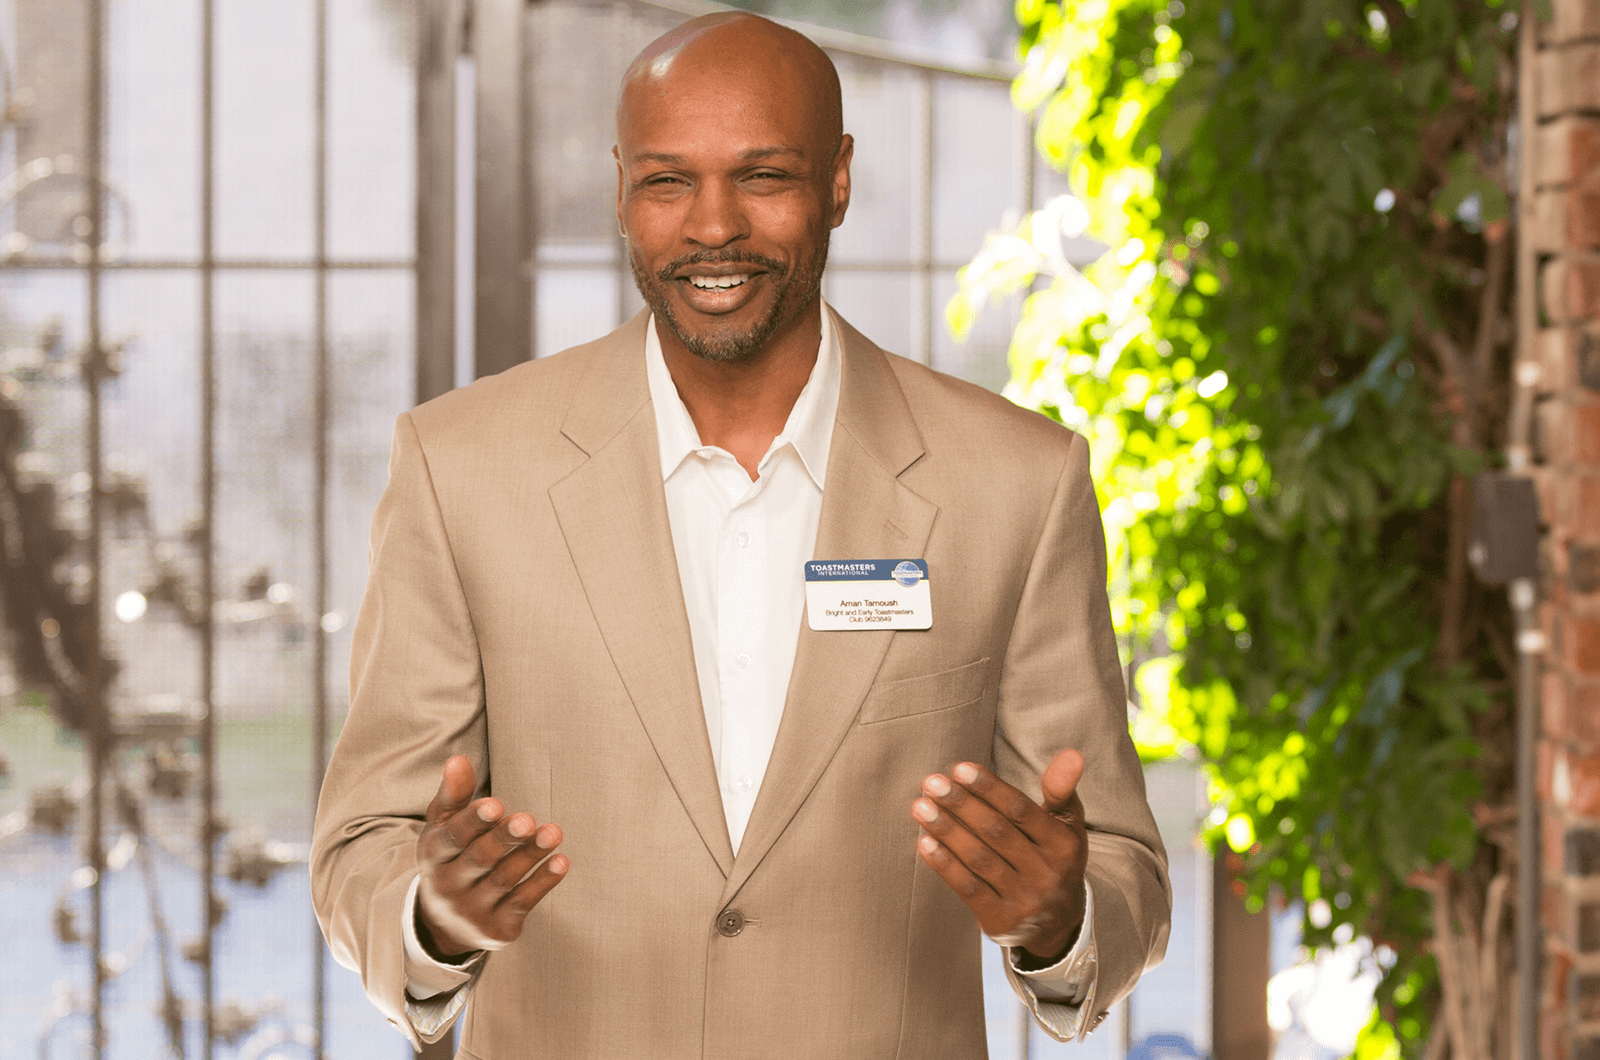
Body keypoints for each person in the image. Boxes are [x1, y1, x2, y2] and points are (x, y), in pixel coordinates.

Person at [311, 12, 1169, 1059]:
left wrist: (1062, 920)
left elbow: (1121, 859)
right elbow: (361, 841)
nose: (712, 226)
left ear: (838, 180)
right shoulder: (460, 467)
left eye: (763, 176)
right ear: (621, 187)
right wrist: (433, 919)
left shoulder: (1016, 482)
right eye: (668, 181)